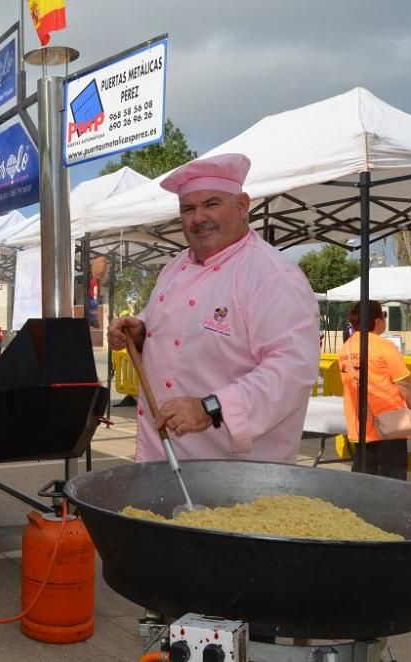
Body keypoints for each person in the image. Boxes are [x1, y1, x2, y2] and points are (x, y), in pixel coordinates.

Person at [107, 153, 320, 464]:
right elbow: (174, 330)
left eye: (211, 204)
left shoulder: (273, 276)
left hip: (236, 475)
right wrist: (141, 333)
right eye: (188, 209)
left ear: (243, 205)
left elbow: (291, 371)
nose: (198, 218)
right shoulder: (174, 268)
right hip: (161, 460)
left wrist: (210, 407)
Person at [338, 301, 411, 480]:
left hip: (359, 422)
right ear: (377, 321)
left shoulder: (345, 348)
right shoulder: (384, 345)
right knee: (393, 476)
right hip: (388, 422)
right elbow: (404, 382)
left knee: (362, 477)